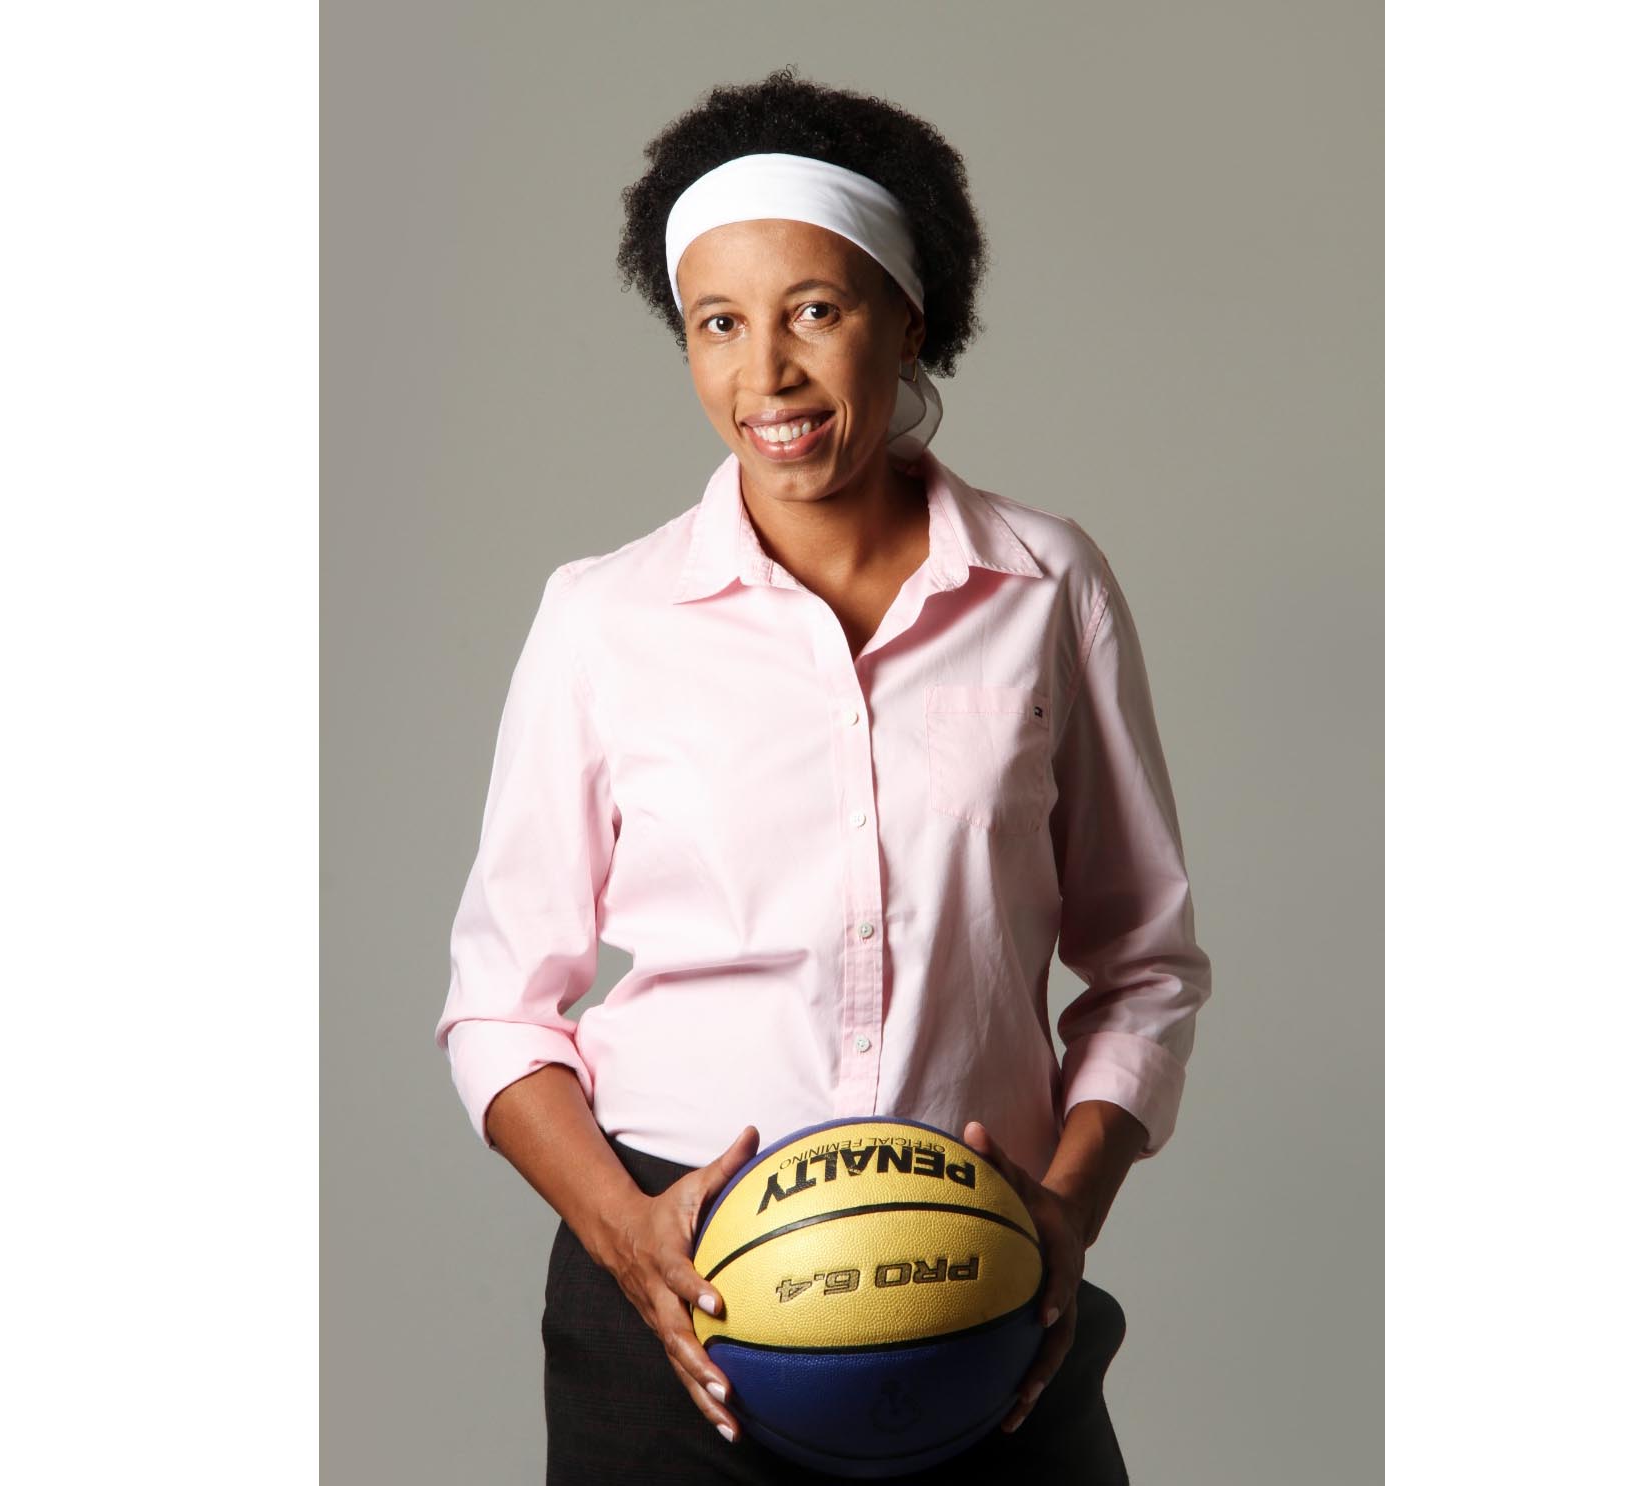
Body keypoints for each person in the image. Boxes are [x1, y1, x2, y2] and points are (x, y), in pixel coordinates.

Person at [434, 67, 1213, 1484]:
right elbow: (498, 1004)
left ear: (908, 318)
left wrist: (1064, 1209)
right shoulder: (603, 617)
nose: (766, 377)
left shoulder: (1047, 587)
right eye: (718, 324)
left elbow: (1145, 964)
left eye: (813, 311)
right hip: (677, 1275)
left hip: (977, 1278)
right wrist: (626, 1236)